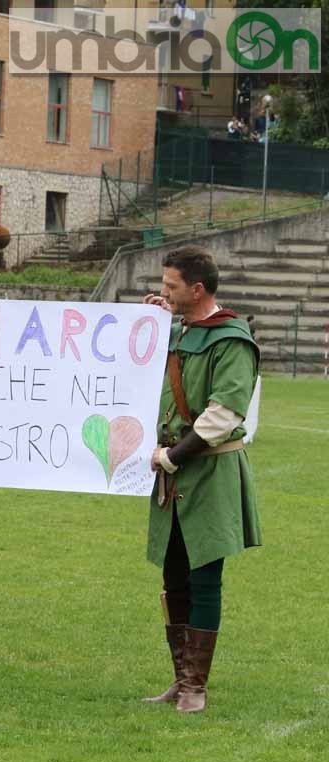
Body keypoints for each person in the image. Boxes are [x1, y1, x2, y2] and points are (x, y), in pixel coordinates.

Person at [142, 245, 261, 714]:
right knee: (174, 577)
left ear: (197, 289)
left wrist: (172, 456)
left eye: (171, 286)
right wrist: (148, 321)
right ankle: (179, 677)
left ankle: (196, 686)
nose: (163, 291)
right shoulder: (176, 330)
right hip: (169, 469)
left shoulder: (232, 339)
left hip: (207, 470)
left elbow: (222, 415)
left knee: (204, 575)